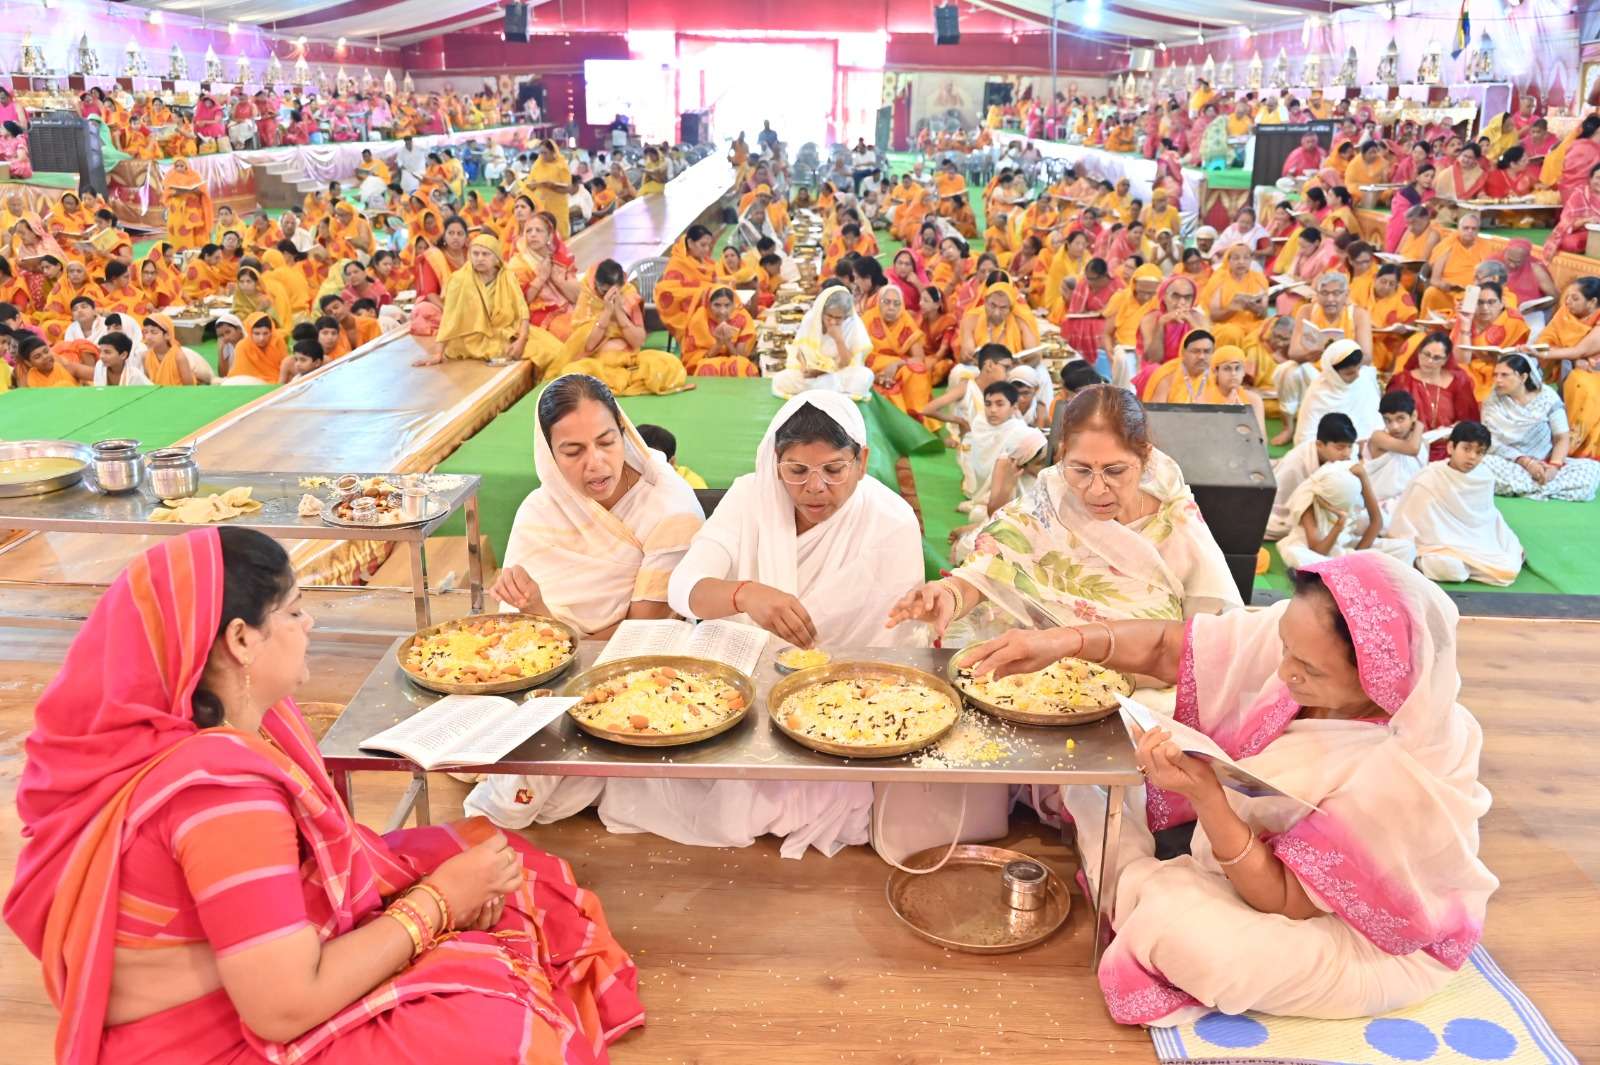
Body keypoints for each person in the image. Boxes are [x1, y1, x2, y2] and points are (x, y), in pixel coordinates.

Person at [3, 528, 644, 1062]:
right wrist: (439, 902)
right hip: (208, 1034)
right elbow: (283, 1009)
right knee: (498, 1035)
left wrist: (443, 893)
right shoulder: (222, 797)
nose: (309, 623)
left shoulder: (220, 722)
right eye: (293, 611)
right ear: (241, 640)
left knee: (497, 860)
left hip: (250, 976)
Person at [962, 552, 1495, 1024]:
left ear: (1380, 679)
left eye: (1308, 670)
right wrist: (1063, 643)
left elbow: (1285, 900)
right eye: (1284, 646)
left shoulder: (1400, 774)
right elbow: (1169, 648)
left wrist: (1209, 800)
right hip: (1252, 859)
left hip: (1363, 935)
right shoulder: (1307, 638)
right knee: (1114, 772)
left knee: (1192, 940)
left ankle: (1133, 877)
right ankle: (1134, 871)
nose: (1283, 672)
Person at [590, 393, 928, 858]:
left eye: (834, 470)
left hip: (844, 702)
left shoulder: (891, 522)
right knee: (679, 785)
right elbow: (683, 587)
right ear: (775, 462)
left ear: (862, 460)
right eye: (797, 470)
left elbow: (895, 648)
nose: (815, 488)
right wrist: (745, 594)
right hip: (742, 690)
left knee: (801, 796)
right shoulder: (751, 496)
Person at [466, 377, 706, 827]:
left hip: (627, 664)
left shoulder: (670, 510)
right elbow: (515, 630)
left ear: (624, 432)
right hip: (546, 662)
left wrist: (545, 621)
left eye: (606, 442)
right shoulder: (542, 507)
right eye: (573, 451)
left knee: (529, 769)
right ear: (549, 454)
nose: (595, 463)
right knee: (478, 709)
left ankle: (495, 810)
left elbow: (643, 634)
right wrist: (528, 609)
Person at [889, 385, 1240, 649]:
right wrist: (950, 595)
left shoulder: (1175, 523)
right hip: (1036, 678)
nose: (1097, 489)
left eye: (1116, 470)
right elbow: (989, 569)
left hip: (1143, 689)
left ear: (1145, 458)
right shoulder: (1049, 502)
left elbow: (1209, 636)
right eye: (1081, 469)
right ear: (1061, 456)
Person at [1390, 421, 1524, 586]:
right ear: (1451, 447)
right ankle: (1422, 563)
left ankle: (1470, 563)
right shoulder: (1429, 478)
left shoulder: (1485, 478)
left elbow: (1487, 520)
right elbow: (1408, 523)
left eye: (1479, 452)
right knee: (1452, 569)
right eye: (1466, 449)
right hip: (1437, 546)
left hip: (1475, 543)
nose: (1472, 457)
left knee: (1509, 565)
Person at [1479, 354, 1600, 502]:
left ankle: (1528, 486)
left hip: (1545, 463)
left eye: (1504, 375)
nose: (1498, 380)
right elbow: (1491, 441)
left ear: (1523, 377)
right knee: (1483, 464)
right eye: (1495, 375)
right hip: (1509, 462)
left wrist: (1553, 467)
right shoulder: (1492, 401)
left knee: (1592, 468)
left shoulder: (1547, 397)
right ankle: (1547, 488)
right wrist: (1526, 462)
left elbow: (1562, 437)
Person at [560, 259, 687, 395]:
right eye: (604, 291)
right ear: (596, 284)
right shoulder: (588, 296)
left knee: (669, 364)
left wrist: (619, 312)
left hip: (629, 362)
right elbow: (589, 345)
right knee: (571, 372)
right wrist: (607, 312)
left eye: (614, 292)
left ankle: (626, 379)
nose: (608, 296)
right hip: (599, 363)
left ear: (621, 286)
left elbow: (638, 341)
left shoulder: (629, 296)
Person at [948, 380, 1048, 553]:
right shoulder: (979, 423)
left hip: (1010, 502)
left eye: (1000, 404)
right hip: (988, 494)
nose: (993, 410)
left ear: (1014, 407)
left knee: (979, 525)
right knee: (979, 518)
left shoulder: (1021, 435)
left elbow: (998, 511)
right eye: (988, 404)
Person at [1276, 456, 1414, 569]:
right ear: (1326, 502)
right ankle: (1351, 571)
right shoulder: (1309, 501)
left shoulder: (1357, 474)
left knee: (1406, 548)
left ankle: (1350, 570)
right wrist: (1339, 525)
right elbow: (1318, 551)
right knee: (1295, 554)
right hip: (1324, 551)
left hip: (1347, 545)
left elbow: (1377, 521)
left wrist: (1356, 557)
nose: (1346, 452)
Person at [416, 233, 529, 365]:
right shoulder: (458, 279)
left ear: (496, 258)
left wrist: (522, 339)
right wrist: (438, 353)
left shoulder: (508, 277)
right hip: (470, 341)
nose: (480, 258)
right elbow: (449, 318)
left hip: (504, 334)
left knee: (545, 348)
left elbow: (522, 311)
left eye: (485, 254)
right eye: (475, 254)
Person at [1268, 412, 1359, 539]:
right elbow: (1277, 503)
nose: (1347, 453)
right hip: (1301, 511)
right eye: (1340, 448)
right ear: (1320, 445)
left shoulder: (1347, 455)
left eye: (1350, 446)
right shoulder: (1294, 463)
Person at [772, 286, 874, 399]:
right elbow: (799, 350)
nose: (833, 321)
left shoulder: (852, 324)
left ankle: (816, 391)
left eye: (838, 318)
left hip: (836, 374)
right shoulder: (811, 319)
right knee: (781, 379)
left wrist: (839, 339)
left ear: (845, 316)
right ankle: (829, 393)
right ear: (822, 311)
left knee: (864, 377)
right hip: (812, 376)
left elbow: (847, 363)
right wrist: (805, 369)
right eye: (829, 316)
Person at [1294, 337, 1382, 446]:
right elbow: (1305, 439)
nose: (1357, 376)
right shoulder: (1318, 394)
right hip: (1334, 450)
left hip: (1369, 447)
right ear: (1332, 373)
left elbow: (1378, 423)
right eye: (1349, 373)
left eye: (1359, 368)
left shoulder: (1364, 379)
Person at [920, 343, 1014, 440]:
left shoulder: (1002, 393)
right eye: (1006, 368)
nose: (1009, 374)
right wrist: (960, 421)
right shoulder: (966, 387)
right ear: (989, 365)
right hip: (967, 444)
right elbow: (928, 409)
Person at [1363, 391, 1430, 514]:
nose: (1394, 427)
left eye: (1400, 419)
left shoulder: (1423, 444)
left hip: (1412, 505)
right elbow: (1412, 449)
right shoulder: (1378, 437)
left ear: (1413, 415)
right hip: (1379, 510)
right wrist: (1419, 426)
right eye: (1388, 420)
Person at [654, 225, 716, 342]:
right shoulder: (677, 263)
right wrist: (703, 292)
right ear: (690, 243)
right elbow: (670, 291)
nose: (707, 249)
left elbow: (714, 282)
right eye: (703, 245)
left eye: (708, 245)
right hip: (683, 310)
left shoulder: (707, 262)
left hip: (708, 303)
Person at [682, 285, 758, 377]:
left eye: (727, 305)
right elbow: (695, 359)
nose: (722, 311)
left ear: (733, 305)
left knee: (741, 365)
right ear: (708, 304)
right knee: (706, 367)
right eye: (717, 305)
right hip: (707, 361)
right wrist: (718, 344)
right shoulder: (699, 319)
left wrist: (728, 342)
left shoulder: (742, 318)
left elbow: (741, 357)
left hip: (733, 359)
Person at [636, 422, 709, 488]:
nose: (643, 469)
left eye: (653, 463)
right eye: (637, 460)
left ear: (672, 462)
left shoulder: (693, 485)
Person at [227, 311, 289, 383]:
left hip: (279, 381)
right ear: (250, 332)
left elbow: (285, 367)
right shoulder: (242, 346)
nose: (261, 338)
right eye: (257, 333)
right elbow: (241, 373)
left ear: (271, 332)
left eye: (265, 333)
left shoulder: (277, 341)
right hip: (251, 383)